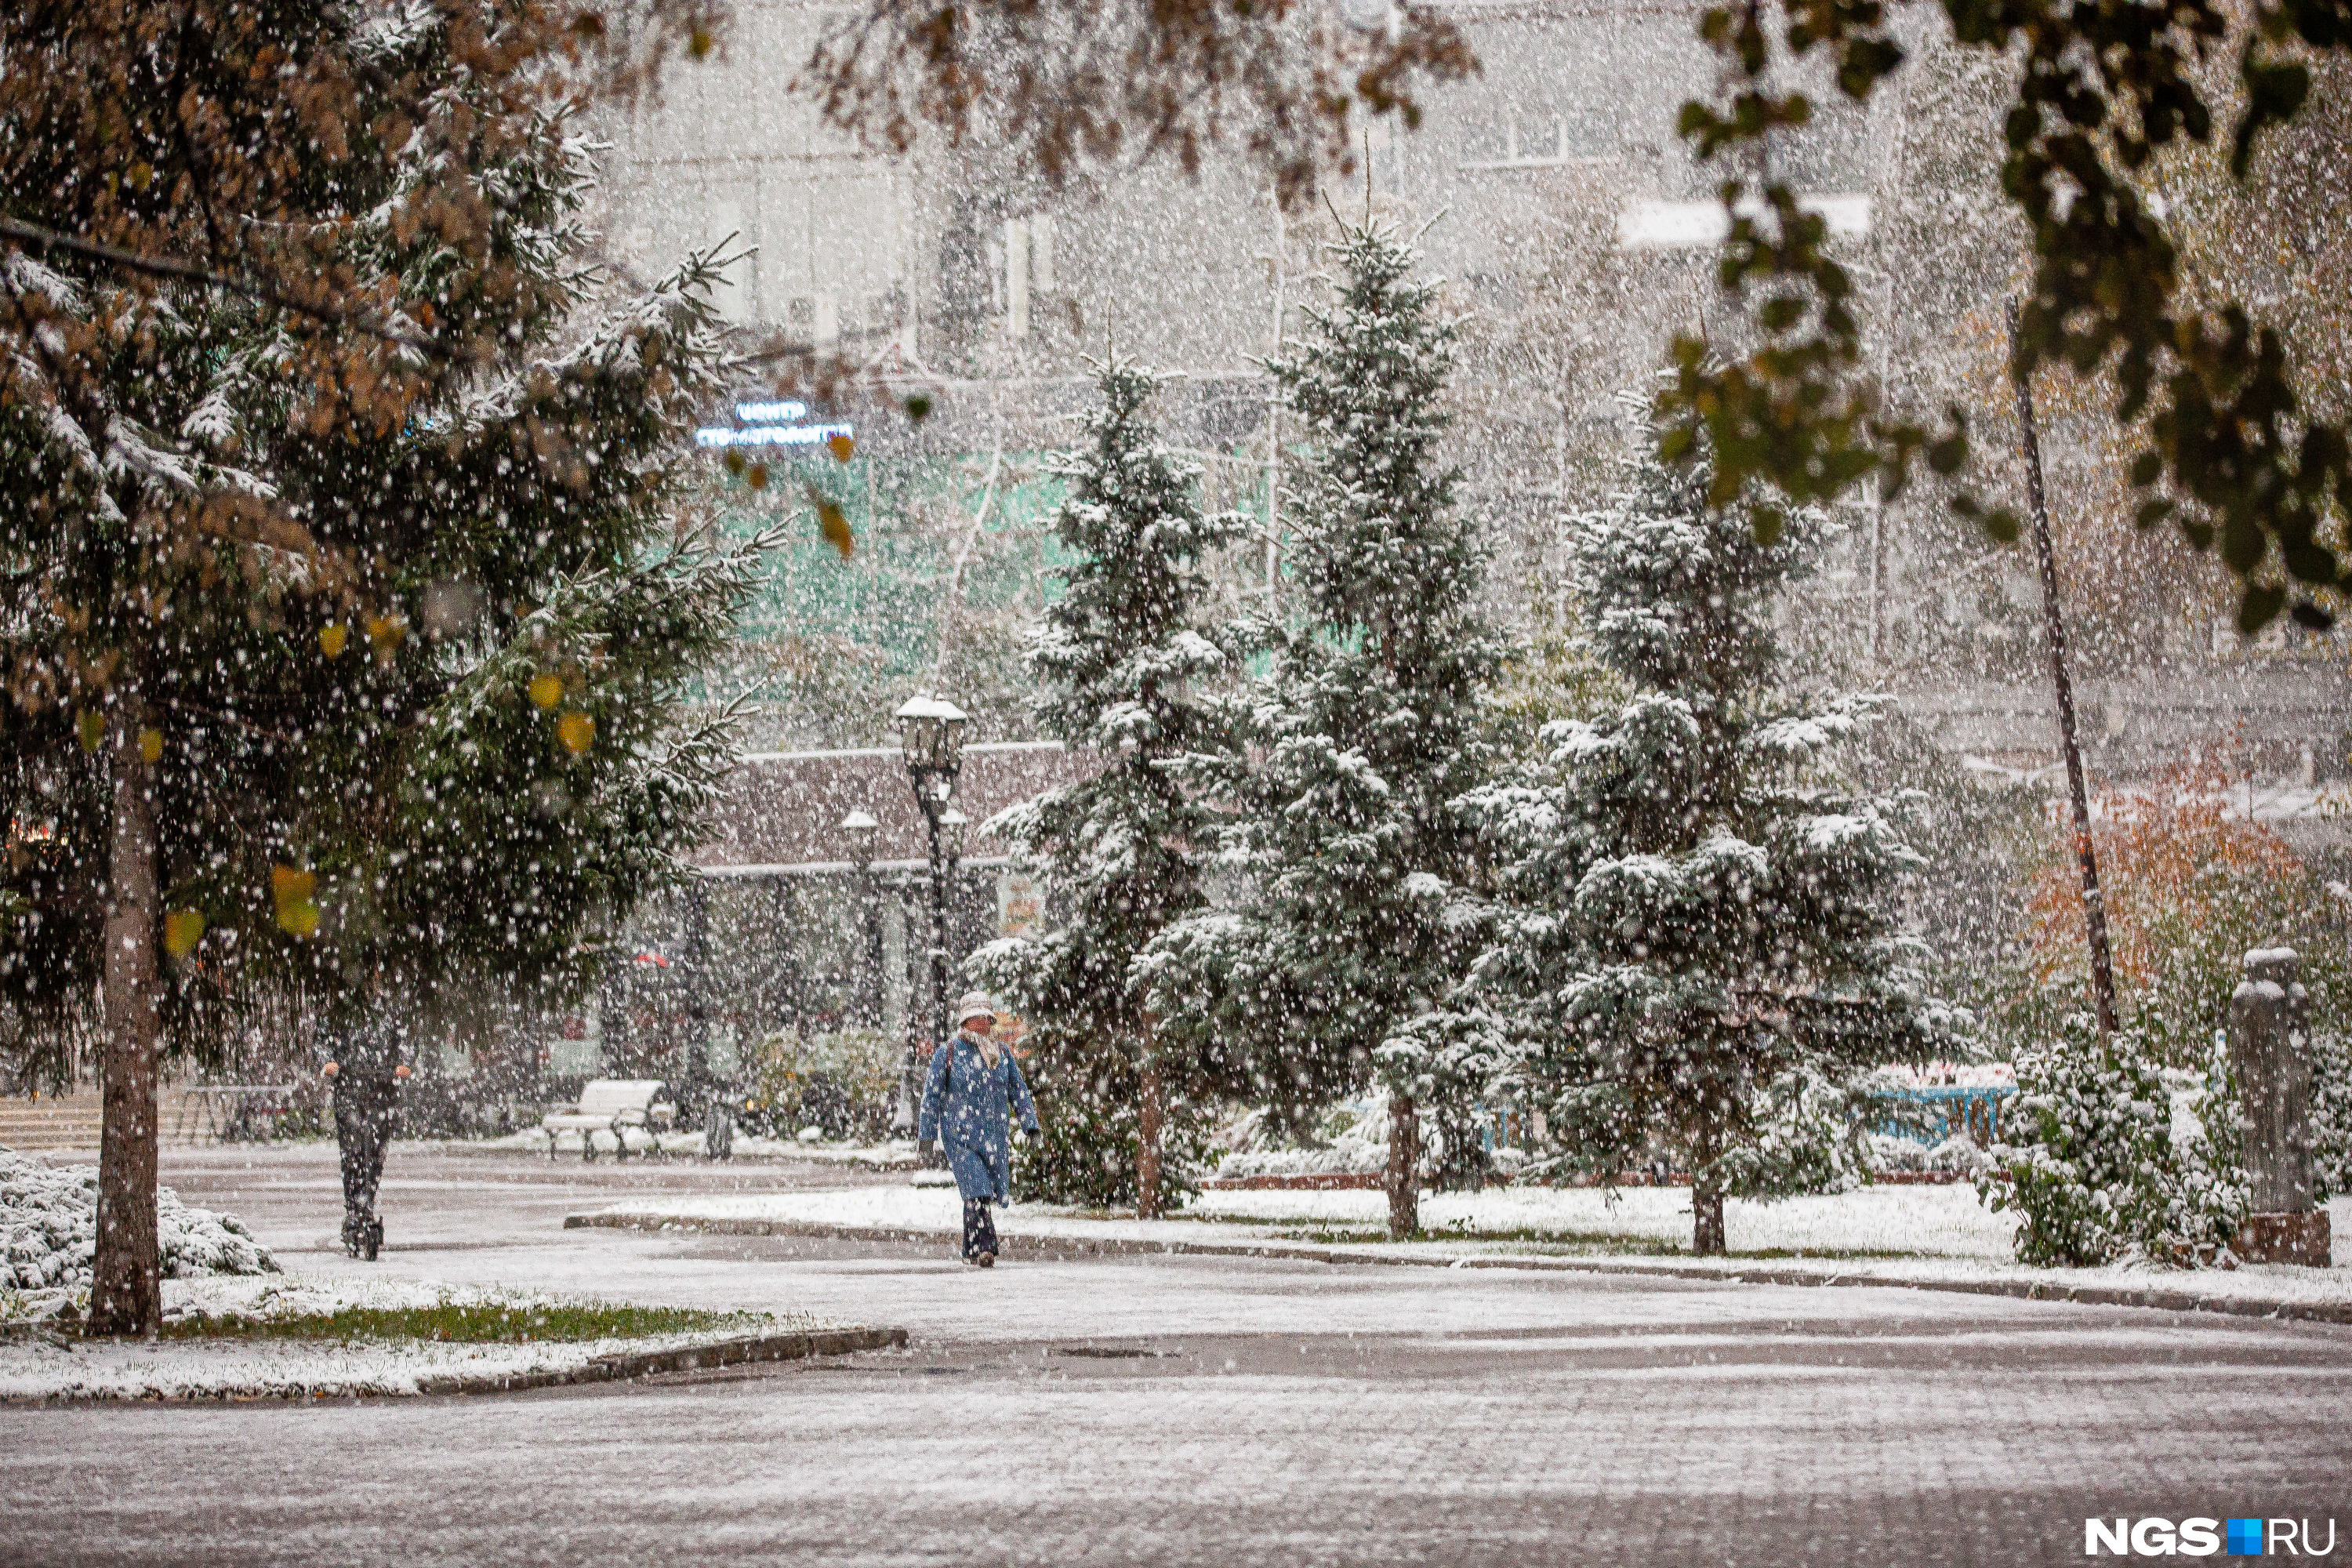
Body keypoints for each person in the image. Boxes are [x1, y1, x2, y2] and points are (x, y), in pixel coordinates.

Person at [917, 992, 1040, 1267]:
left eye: (986, 1017)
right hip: (959, 1137)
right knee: (977, 1189)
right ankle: (987, 1247)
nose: (982, 1022)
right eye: (976, 1017)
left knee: (982, 1192)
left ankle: (970, 1249)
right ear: (966, 1020)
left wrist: (1029, 1124)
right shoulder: (948, 1053)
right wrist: (926, 1136)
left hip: (993, 1137)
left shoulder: (1002, 1053)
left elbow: (1017, 1090)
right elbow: (931, 1096)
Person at [321, 988, 412, 1261]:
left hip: (382, 1091)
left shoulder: (391, 1010)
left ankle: (367, 1204)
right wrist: (330, 1062)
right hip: (349, 1089)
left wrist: (402, 1065)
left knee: (375, 1155)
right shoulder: (342, 1008)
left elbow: (405, 1044)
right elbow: (325, 1041)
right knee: (352, 1155)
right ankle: (354, 1210)